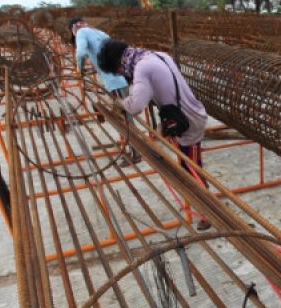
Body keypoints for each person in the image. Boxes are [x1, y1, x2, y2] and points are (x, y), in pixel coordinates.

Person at [98, 39, 211, 231]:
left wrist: (119, 104)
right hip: (182, 115)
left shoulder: (142, 68)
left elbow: (135, 106)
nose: (121, 74)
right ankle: (203, 205)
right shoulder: (156, 55)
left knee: (190, 168)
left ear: (118, 64)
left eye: (117, 71)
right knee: (186, 163)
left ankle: (207, 212)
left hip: (187, 121)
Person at [69, 19, 140, 165]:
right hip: (121, 77)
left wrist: (79, 69)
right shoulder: (100, 32)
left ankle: (136, 153)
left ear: (74, 28)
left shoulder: (81, 32)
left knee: (125, 118)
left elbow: (81, 52)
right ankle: (132, 149)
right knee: (124, 116)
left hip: (114, 82)